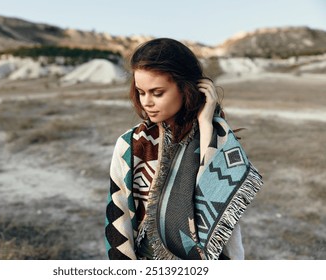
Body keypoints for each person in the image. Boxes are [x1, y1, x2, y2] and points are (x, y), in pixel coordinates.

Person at [105, 38, 263, 260]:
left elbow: (222, 211)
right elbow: (117, 217)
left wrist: (206, 123)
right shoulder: (130, 145)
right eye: (141, 92)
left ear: (185, 87)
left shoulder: (216, 136)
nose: (146, 102)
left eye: (157, 92)